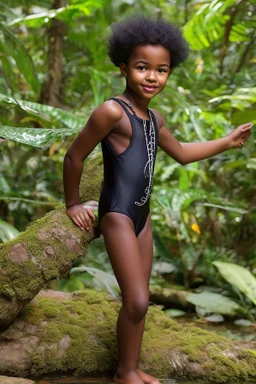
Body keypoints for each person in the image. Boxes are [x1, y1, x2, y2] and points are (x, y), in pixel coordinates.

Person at [63, 15, 253, 384]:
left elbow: (181, 152)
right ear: (123, 67)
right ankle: (125, 372)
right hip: (117, 214)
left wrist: (227, 142)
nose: (152, 77)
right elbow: (74, 156)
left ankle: (129, 369)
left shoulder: (154, 119)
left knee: (142, 300)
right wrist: (73, 203)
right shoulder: (112, 111)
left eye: (161, 70)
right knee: (135, 300)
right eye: (142, 67)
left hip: (142, 217)